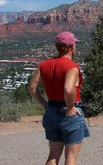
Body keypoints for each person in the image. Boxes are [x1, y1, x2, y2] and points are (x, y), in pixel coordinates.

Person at [28, 31, 90, 165]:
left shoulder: (44, 64)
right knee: (71, 157)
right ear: (71, 46)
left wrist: (45, 105)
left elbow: (32, 88)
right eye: (75, 44)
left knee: (53, 155)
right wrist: (70, 107)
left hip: (51, 112)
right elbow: (68, 89)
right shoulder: (72, 67)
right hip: (68, 114)